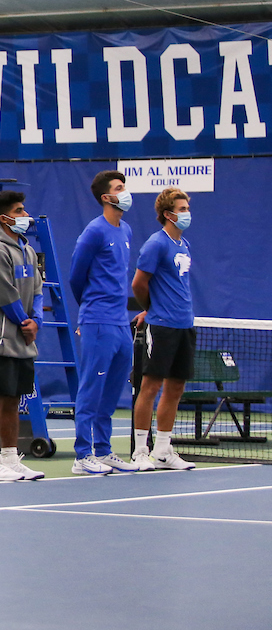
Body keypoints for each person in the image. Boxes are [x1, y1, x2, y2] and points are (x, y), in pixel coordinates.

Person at [68, 170, 140, 475]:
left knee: (112, 390)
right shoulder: (94, 232)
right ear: (105, 197)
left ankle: (104, 451)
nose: (125, 192)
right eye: (119, 188)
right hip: (98, 321)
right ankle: (82, 455)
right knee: (91, 388)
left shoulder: (126, 231)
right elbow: (75, 277)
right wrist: (90, 310)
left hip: (121, 323)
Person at [0, 191, 45, 481]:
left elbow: (37, 289)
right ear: (5, 218)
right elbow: (5, 295)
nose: (25, 215)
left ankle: (11, 458)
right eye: (19, 210)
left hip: (23, 339)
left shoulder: (26, 250)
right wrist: (24, 322)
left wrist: (36, 321)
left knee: (14, 399)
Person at [131, 188, 196, 471]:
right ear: (168, 214)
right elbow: (138, 284)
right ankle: (140, 451)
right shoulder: (156, 244)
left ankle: (162, 451)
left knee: (176, 387)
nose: (186, 214)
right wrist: (152, 309)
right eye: (181, 209)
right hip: (162, 326)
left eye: (186, 208)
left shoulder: (185, 245)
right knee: (150, 387)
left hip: (185, 324)